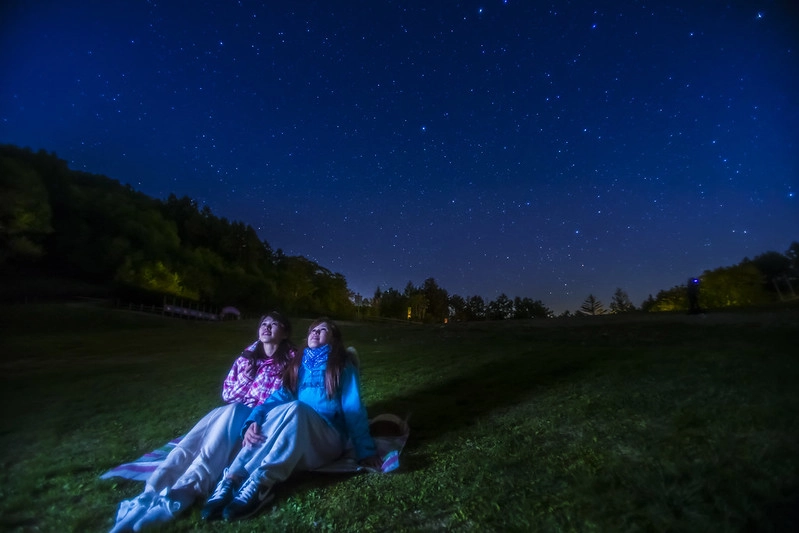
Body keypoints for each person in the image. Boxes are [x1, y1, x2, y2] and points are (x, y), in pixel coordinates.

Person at [110, 311, 297, 533]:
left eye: (274, 325)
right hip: (234, 411)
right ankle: (149, 494)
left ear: (284, 333)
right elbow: (228, 393)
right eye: (264, 324)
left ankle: (183, 493)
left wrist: (256, 414)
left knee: (215, 440)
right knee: (194, 442)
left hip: (262, 418)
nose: (267, 328)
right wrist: (246, 378)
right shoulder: (246, 358)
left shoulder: (292, 362)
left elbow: (288, 397)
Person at [200, 317, 382, 522]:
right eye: (312, 329)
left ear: (333, 339)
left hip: (328, 439)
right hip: (301, 436)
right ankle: (232, 478)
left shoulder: (342, 364)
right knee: (275, 412)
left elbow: (353, 408)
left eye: (322, 330)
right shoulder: (300, 364)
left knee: (296, 409)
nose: (315, 332)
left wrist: (366, 451)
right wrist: (254, 419)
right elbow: (279, 396)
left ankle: (261, 482)